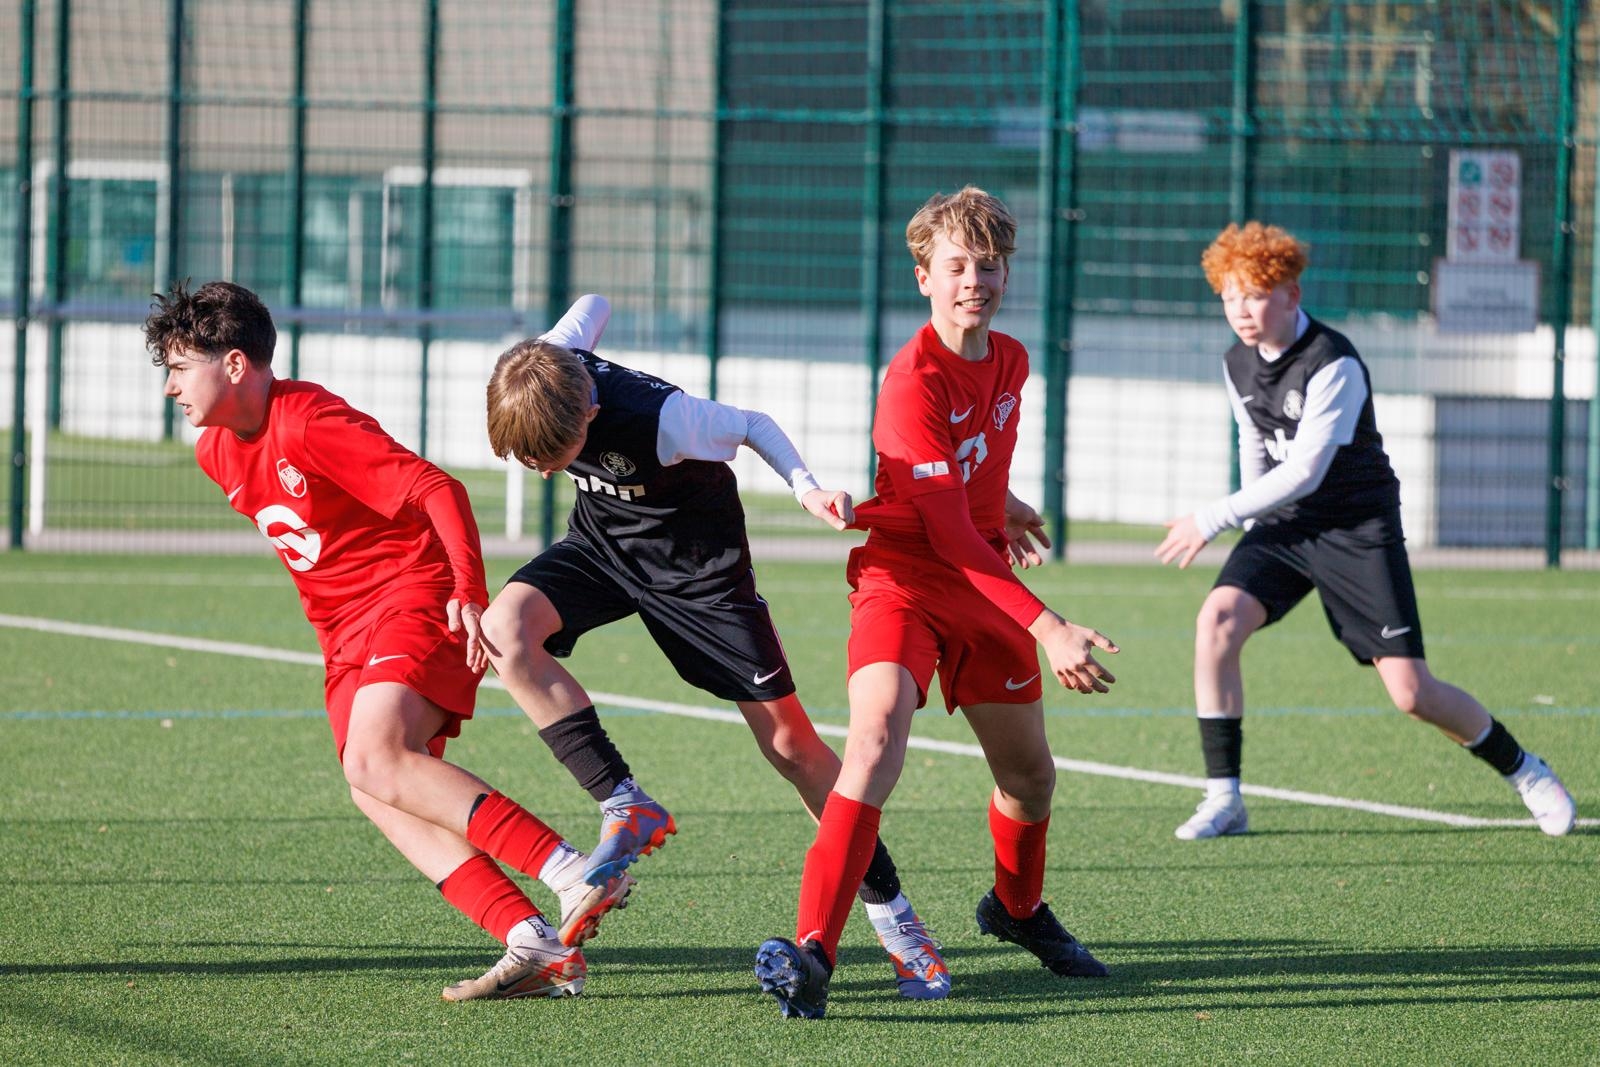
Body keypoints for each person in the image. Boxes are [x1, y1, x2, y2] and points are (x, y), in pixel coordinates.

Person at [145, 280, 634, 1003]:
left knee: (376, 756)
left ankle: (573, 871)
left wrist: (467, 591)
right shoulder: (215, 451)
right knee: (372, 786)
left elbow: (438, 489)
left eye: (181, 368)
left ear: (236, 364)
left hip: (413, 595)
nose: (170, 387)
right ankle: (532, 940)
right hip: (343, 635)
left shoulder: (308, 420)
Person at [479, 294, 952, 1000]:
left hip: (700, 574)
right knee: (504, 630)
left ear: (591, 413)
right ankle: (623, 801)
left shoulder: (669, 420)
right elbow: (593, 304)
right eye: (529, 460)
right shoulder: (551, 362)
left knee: (792, 748)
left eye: (554, 456)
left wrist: (806, 488)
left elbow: (753, 423)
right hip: (603, 551)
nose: (544, 470)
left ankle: (896, 919)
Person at [753, 186, 1121, 1020]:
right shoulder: (909, 381)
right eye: (956, 267)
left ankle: (1017, 909)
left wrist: (1005, 504)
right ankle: (813, 951)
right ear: (924, 276)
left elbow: (969, 475)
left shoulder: (1012, 360)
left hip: (980, 574)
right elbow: (947, 535)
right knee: (874, 739)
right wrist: (1050, 624)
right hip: (905, 579)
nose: (974, 282)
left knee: (1029, 778)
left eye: (988, 266)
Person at [1155, 221, 1577, 840]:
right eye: (1229, 296)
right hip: (1287, 523)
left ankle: (1526, 771)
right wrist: (1247, 514)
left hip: (1355, 528)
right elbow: (1254, 437)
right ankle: (1225, 798)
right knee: (1216, 621)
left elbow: (1305, 471)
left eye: (1255, 295)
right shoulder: (1235, 361)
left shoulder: (1334, 362)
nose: (1240, 310)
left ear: (1292, 294)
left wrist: (1214, 517)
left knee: (1411, 693)